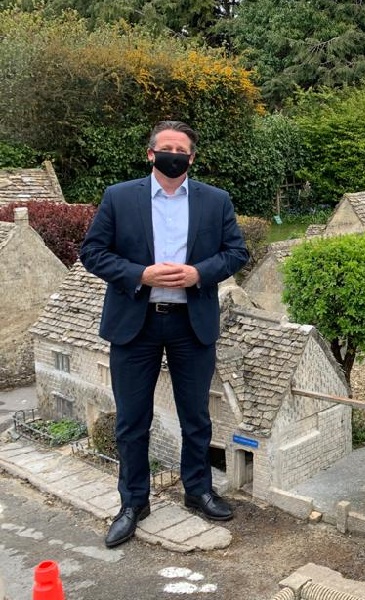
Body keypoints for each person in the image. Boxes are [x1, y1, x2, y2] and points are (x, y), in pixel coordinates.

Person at [80, 120, 249, 548]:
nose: (174, 154)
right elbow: (93, 253)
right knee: (132, 420)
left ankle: (198, 491)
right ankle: (133, 503)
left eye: (182, 149)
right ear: (151, 154)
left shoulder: (216, 201)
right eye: (166, 147)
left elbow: (235, 253)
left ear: (192, 158)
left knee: (196, 417)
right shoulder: (119, 197)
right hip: (135, 324)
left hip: (190, 323)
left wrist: (197, 273)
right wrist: (140, 273)